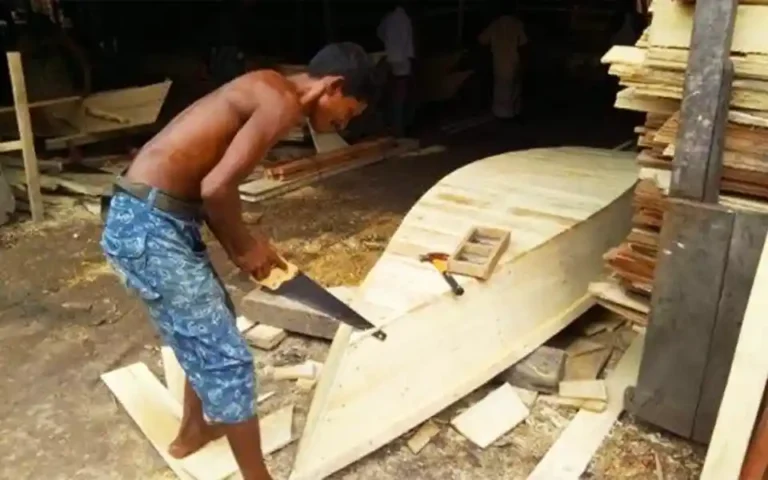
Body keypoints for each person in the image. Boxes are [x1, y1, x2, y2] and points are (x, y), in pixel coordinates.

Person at [100, 43, 373, 480]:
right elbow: (217, 188)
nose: (347, 122)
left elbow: (209, 187)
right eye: (350, 111)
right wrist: (245, 249)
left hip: (154, 217)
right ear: (334, 86)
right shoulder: (280, 101)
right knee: (226, 357)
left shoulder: (268, 87)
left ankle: (194, 429)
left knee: (211, 326)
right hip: (149, 225)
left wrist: (245, 245)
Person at [478, 3, 528, 120]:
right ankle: (513, 113)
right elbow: (524, 44)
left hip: (499, 61)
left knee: (501, 89)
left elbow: (481, 39)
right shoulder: (517, 24)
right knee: (514, 88)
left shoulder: (495, 24)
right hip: (514, 60)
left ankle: (503, 114)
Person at [377, 3, 415, 135]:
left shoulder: (388, 18)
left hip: (392, 60)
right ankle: (399, 129)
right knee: (400, 98)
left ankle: (394, 127)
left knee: (395, 97)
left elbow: (380, 33)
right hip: (402, 63)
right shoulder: (404, 18)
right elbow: (407, 43)